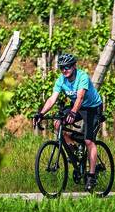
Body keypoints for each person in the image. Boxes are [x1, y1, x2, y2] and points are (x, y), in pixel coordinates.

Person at [33, 53, 103, 191]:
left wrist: (73, 112)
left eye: (67, 67)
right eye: (61, 68)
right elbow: (52, 99)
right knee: (57, 123)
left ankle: (92, 176)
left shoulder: (82, 77)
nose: (64, 70)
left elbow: (80, 97)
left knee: (89, 141)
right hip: (76, 106)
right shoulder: (61, 80)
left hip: (92, 108)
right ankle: (72, 148)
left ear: (74, 67)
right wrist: (41, 113)